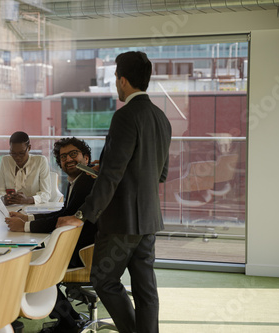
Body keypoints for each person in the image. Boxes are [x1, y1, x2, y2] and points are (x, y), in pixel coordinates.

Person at [57, 51, 172, 333]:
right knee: (146, 290)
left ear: (122, 80)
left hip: (122, 221)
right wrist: (106, 166)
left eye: (115, 79)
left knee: (104, 280)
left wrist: (83, 214)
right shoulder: (161, 118)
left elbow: (112, 176)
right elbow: (160, 173)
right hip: (148, 220)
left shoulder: (125, 117)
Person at [6, 137, 97, 333]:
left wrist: (26, 227)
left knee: (34, 268)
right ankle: (71, 319)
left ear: (86, 158)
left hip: (84, 254)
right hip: (78, 247)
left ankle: (69, 324)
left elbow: (65, 217)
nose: (68, 159)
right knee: (35, 258)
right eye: (63, 157)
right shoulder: (77, 181)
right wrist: (28, 217)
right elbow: (63, 213)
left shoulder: (86, 183)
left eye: (74, 154)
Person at [0, 131, 51, 205]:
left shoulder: (40, 161)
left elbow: (46, 194)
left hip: (33, 209)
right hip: (11, 209)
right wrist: (3, 199)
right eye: (13, 153)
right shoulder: (5, 161)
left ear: (29, 148)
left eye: (21, 153)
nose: (17, 157)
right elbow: (0, 190)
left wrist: (29, 200)